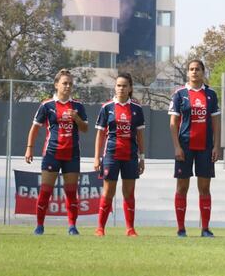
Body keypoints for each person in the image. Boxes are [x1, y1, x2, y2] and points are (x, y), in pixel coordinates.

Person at [25, 69, 88, 235]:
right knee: (45, 191)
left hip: (72, 154)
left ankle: (72, 227)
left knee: (71, 192)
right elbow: (35, 128)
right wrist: (29, 148)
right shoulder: (47, 105)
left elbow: (85, 128)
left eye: (70, 84)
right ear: (56, 85)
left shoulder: (78, 106)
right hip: (52, 153)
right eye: (64, 83)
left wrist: (77, 118)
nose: (67, 86)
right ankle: (39, 226)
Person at [169, 59, 221, 237]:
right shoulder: (179, 94)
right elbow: (173, 123)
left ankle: (205, 228)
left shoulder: (211, 94)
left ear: (203, 72)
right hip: (184, 146)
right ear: (187, 72)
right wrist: (177, 146)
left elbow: (216, 122)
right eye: (191, 69)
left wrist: (216, 145)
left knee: (205, 188)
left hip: (205, 147)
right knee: (182, 187)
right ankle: (181, 228)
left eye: (197, 69)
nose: (194, 72)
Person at [93, 72, 146, 237]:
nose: (121, 88)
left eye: (124, 86)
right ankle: (100, 228)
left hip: (130, 156)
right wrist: (96, 158)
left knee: (129, 192)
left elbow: (140, 135)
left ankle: (130, 228)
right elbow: (100, 134)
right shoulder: (107, 108)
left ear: (130, 88)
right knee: (108, 191)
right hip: (111, 156)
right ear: (115, 87)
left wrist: (141, 158)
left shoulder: (136, 109)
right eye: (118, 85)